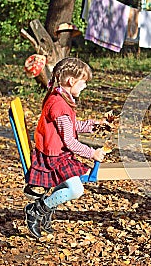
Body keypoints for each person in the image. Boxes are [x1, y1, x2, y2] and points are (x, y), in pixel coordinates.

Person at [24, 57, 106, 238]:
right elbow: (69, 141)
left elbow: (72, 126)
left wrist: (95, 124)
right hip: (53, 158)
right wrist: (92, 153)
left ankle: (43, 211)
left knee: (72, 184)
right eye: (83, 82)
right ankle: (37, 210)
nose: (84, 87)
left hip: (56, 154)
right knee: (76, 190)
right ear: (71, 81)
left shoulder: (60, 98)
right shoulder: (59, 105)